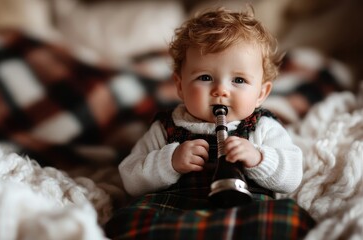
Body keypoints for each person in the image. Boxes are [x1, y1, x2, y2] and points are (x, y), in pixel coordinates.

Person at [105, 7, 314, 239]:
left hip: (246, 209)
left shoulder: (262, 126)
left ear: (261, 94)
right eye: (205, 77)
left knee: (290, 219)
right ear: (181, 86)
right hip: (174, 210)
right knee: (126, 220)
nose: (220, 90)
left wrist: (258, 158)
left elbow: (292, 177)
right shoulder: (166, 127)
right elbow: (131, 179)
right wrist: (170, 162)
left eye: (239, 80)